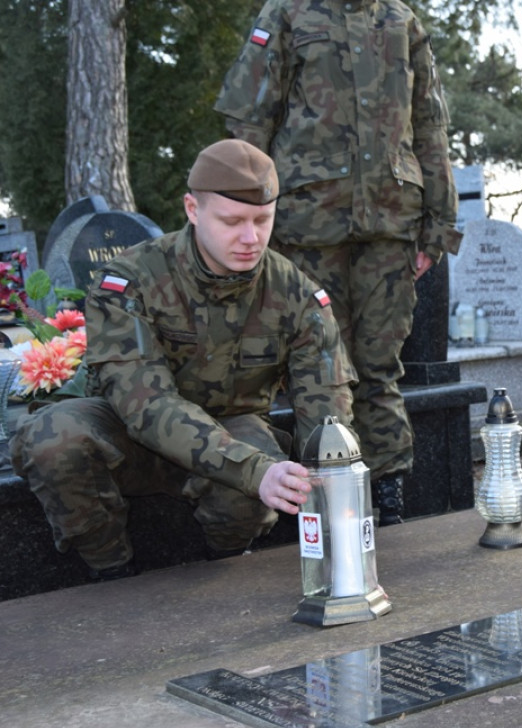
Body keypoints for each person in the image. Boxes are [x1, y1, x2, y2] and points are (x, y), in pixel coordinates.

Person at [10, 139, 357, 580]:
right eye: (232, 221)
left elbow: (327, 420)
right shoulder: (130, 281)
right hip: (128, 436)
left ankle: (224, 565)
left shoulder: (299, 296)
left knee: (263, 468)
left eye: (262, 220)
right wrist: (253, 470)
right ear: (193, 209)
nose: (250, 238)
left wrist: (337, 522)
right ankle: (110, 574)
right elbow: (145, 407)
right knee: (53, 435)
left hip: (233, 427)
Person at [213, 0, 462, 526]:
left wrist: (438, 226)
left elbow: (430, 124)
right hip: (306, 225)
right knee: (320, 367)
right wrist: (247, 219)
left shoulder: (401, 21)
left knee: (379, 367)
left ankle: (389, 495)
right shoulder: (286, 14)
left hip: (392, 223)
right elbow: (248, 122)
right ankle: (330, 496)